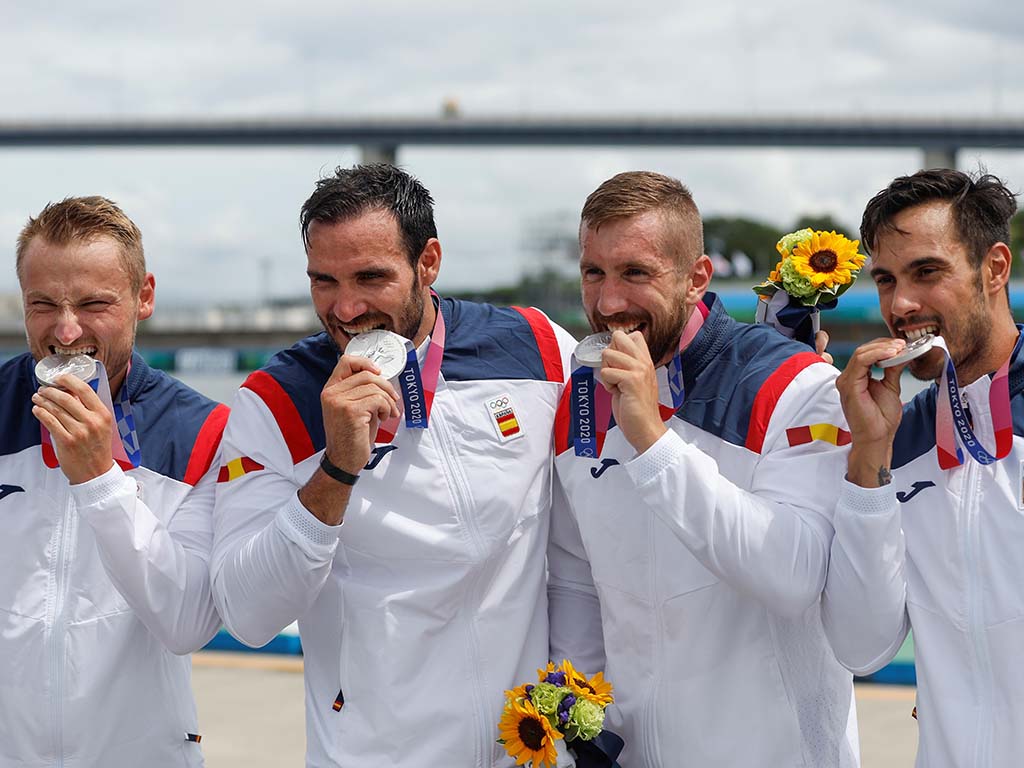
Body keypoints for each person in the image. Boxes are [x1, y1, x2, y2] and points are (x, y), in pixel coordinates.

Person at [210, 164, 575, 767]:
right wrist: (336, 471)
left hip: (532, 749)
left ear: (428, 262)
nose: (345, 308)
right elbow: (248, 615)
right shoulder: (272, 402)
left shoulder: (535, 346)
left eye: (370, 277)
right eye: (322, 281)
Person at [548, 171, 860, 767]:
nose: (609, 302)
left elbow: (793, 578)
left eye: (635, 273)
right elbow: (573, 579)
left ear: (696, 278)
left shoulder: (794, 382)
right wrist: (575, 730)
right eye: (595, 273)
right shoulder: (579, 401)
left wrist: (649, 438)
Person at [0, 196, 227, 766]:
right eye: (43, 304)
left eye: (94, 303)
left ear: (143, 296)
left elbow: (188, 624)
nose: (66, 329)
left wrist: (100, 479)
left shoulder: (203, 430)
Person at [823, 168, 1022, 767]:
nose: (901, 305)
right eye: (885, 280)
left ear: (994, 268)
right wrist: (868, 460)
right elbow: (863, 648)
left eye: (927, 272)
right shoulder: (898, 440)